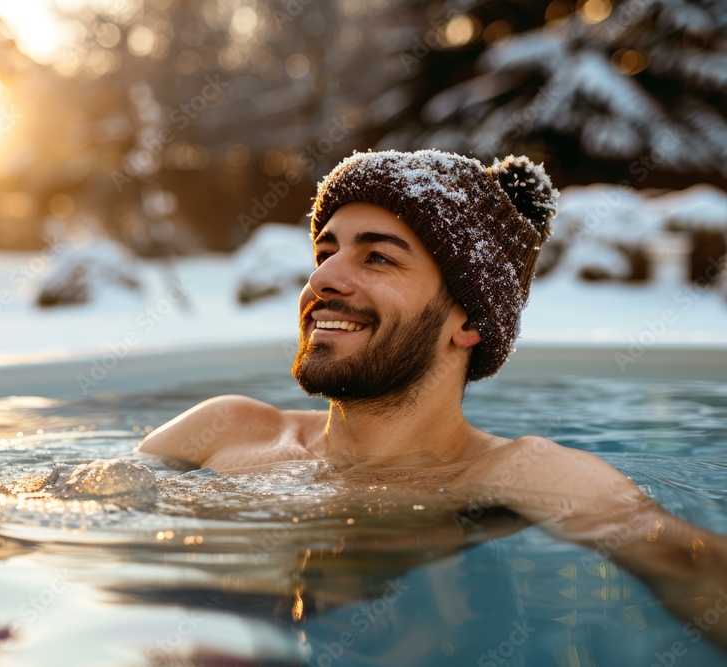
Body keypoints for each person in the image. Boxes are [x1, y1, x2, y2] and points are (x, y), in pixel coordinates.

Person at [137, 148, 727, 647]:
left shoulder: (516, 472)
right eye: (326, 252)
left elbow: (693, 565)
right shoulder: (225, 428)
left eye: (378, 257)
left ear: (467, 321)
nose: (320, 280)